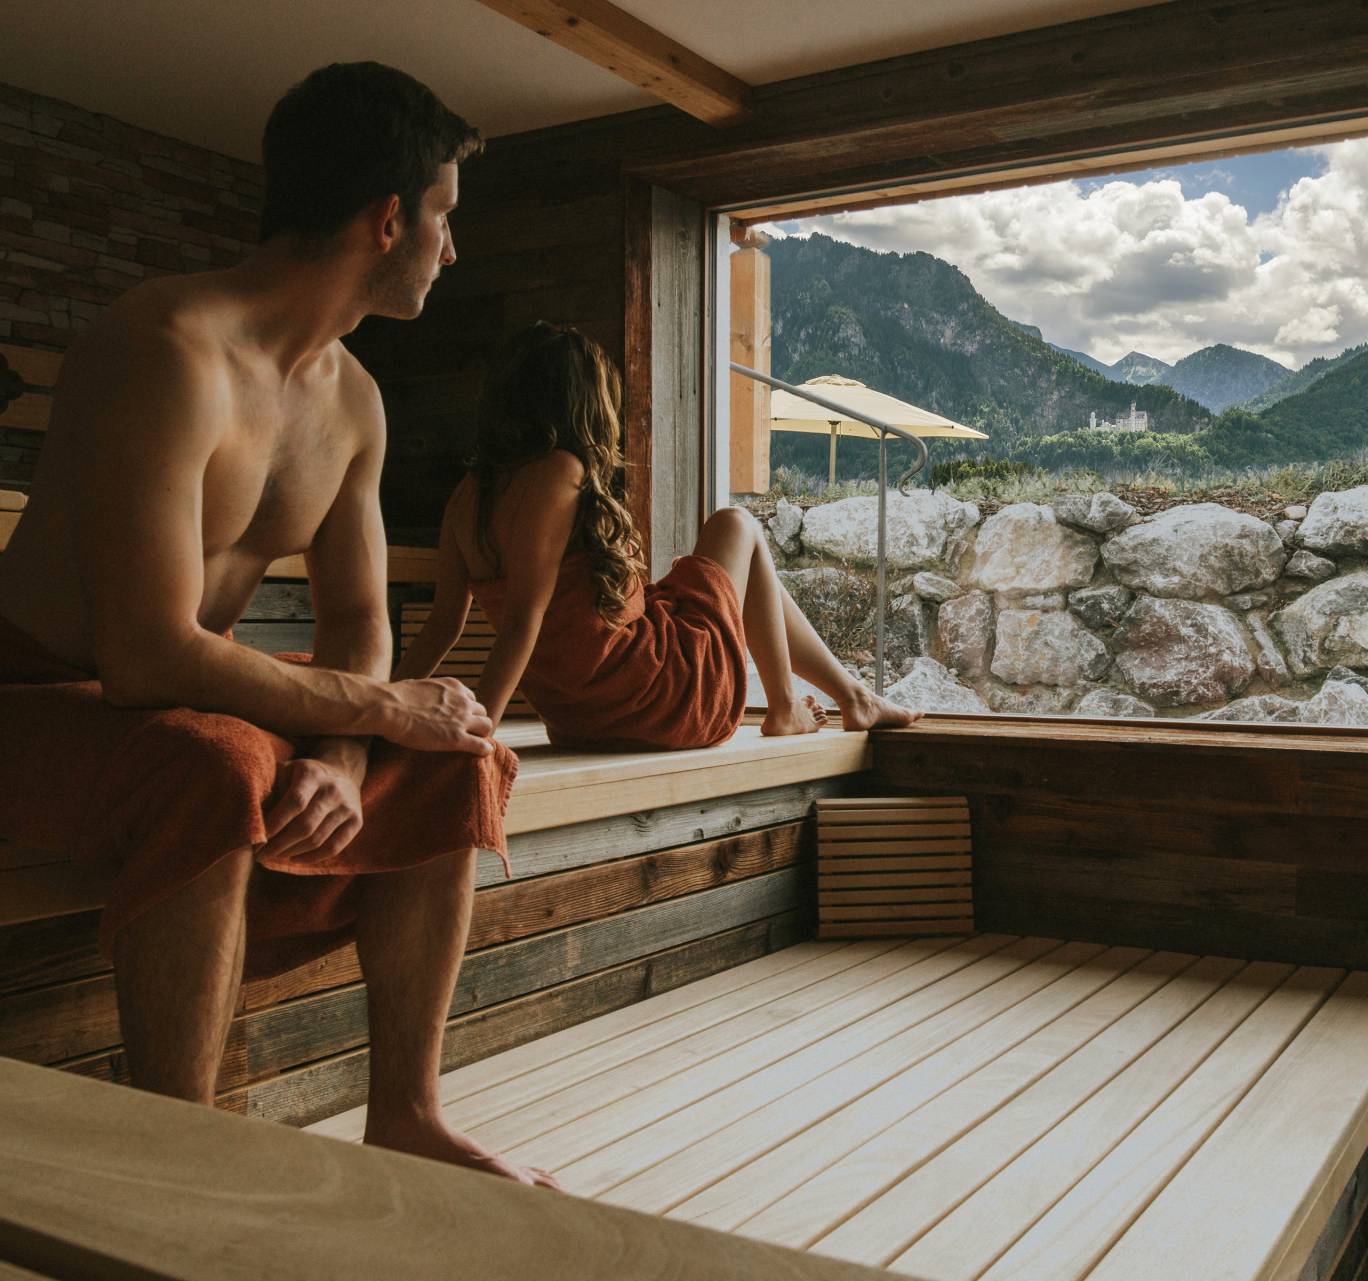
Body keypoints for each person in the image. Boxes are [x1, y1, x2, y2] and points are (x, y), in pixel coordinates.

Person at [0, 63, 558, 1189]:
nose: (450, 252)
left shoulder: (353, 399)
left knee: (461, 753)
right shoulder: (166, 345)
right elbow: (144, 654)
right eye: (445, 220)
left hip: (169, 690)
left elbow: (360, 630)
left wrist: (354, 757)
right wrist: (371, 707)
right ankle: (180, 1145)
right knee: (216, 765)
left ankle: (406, 1110)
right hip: (34, 691)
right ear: (389, 218)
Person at [396, 321, 922, 749]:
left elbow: (442, 626)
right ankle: (795, 705)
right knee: (736, 524)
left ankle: (846, 697)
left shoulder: (468, 496)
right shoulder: (558, 471)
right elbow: (521, 621)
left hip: (580, 721)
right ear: (583, 404)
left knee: (707, 577)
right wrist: (481, 731)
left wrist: (384, 710)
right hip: (660, 699)